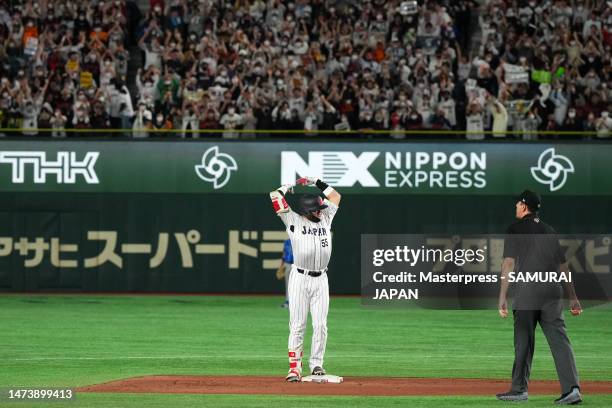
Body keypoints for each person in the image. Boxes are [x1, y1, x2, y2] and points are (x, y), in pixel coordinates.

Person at [496, 190, 582, 404]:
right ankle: (572, 389)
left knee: (524, 340)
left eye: (517, 203)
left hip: (528, 290)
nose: (515, 206)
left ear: (524, 206)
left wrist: (502, 296)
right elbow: (562, 266)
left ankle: (519, 389)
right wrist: (573, 297)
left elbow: (508, 263)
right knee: (560, 341)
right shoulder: (549, 230)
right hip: (552, 290)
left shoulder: (514, 229)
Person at [269, 176, 341, 382]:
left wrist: (317, 182)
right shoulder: (293, 220)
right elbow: (275, 196)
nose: (321, 210)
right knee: (298, 325)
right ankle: (295, 368)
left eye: (320, 207)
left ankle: (317, 363)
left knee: (320, 325)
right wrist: (287, 187)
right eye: (317, 209)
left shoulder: (326, 217)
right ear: (307, 211)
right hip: (300, 278)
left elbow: (335, 196)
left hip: (321, 279)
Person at [276, 239, 293, 308]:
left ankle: (300, 303)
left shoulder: (301, 240)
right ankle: (288, 302)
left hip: (298, 265)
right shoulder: (286, 242)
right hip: (287, 264)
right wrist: (281, 265)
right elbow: (284, 254)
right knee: (288, 284)